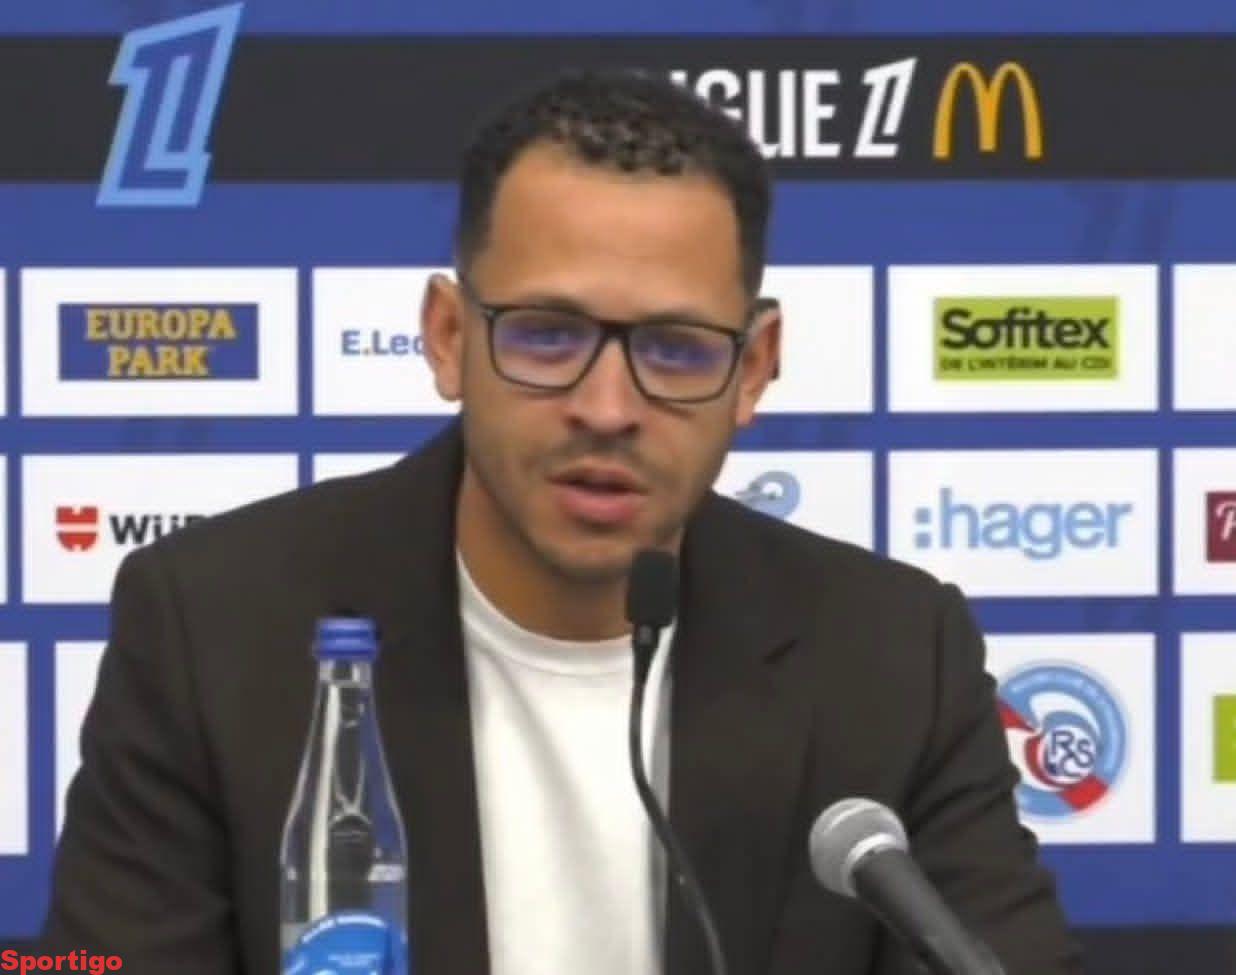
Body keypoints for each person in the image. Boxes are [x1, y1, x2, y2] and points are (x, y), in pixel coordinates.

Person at [40, 70, 1082, 974]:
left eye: (675, 348)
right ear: (449, 337)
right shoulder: (216, 628)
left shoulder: (893, 656)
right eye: (547, 335)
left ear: (755, 370)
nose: (607, 407)